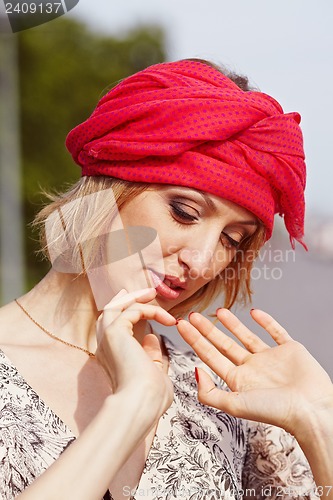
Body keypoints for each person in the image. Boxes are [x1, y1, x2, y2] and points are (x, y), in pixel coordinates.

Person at [0, 59, 332, 500]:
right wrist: (130, 410)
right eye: (185, 212)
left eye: (232, 240)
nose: (202, 260)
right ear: (113, 183)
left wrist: (319, 422)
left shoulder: (222, 398)